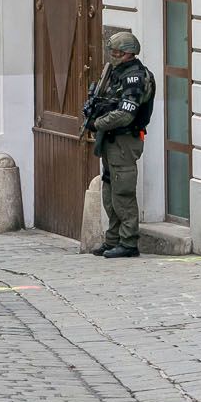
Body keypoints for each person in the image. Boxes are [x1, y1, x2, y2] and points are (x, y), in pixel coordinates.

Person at [84, 30, 156, 259]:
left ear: (128, 53)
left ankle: (128, 242)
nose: (112, 56)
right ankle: (113, 239)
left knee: (123, 192)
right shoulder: (116, 72)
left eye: (116, 52)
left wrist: (98, 123)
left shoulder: (135, 77)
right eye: (112, 52)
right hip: (111, 139)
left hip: (124, 140)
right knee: (109, 190)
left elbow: (125, 114)